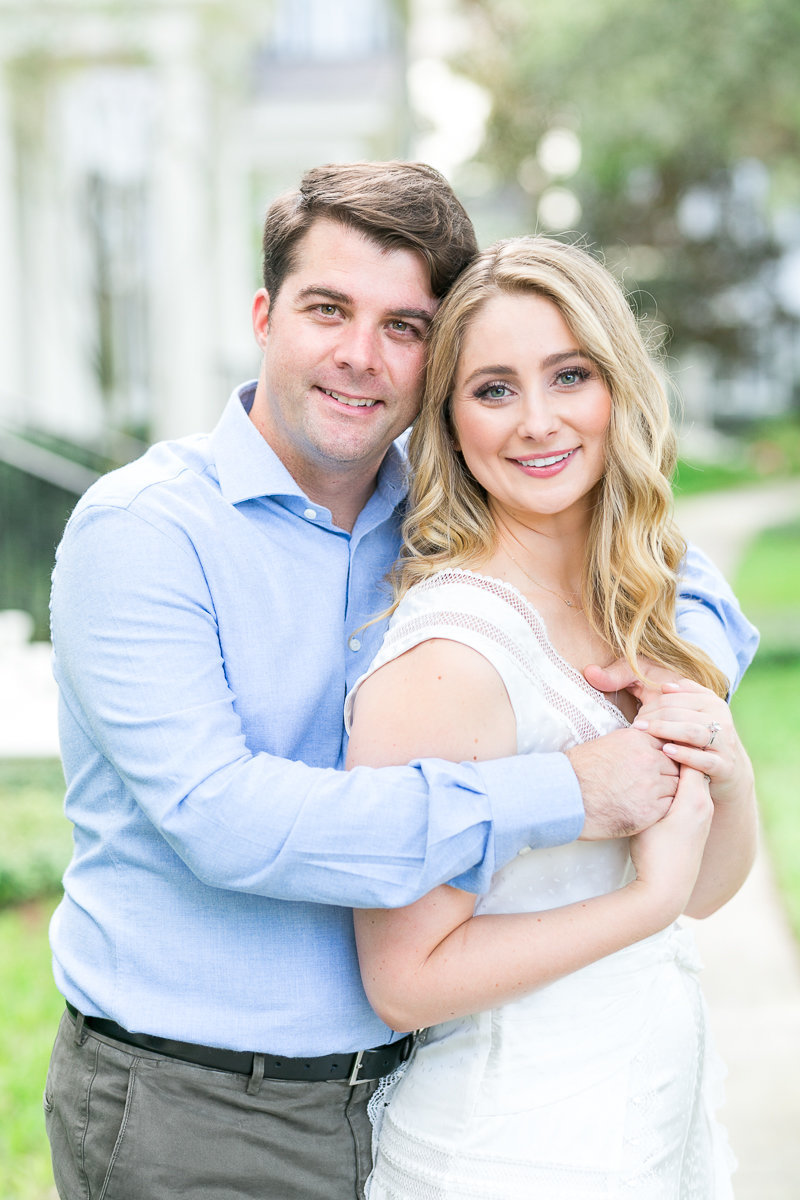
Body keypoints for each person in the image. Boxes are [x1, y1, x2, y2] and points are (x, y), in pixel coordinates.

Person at [44, 166, 757, 1200]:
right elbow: (222, 818)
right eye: (328, 309)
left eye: (403, 326)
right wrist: (569, 788)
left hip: (406, 1089)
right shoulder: (145, 533)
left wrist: (673, 680)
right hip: (194, 1103)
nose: (358, 356)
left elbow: (675, 578)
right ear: (263, 315)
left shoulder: (433, 499)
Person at [346, 235, 759, 1198]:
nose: (537, 421)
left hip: (650, 1137)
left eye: (569, 375)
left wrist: (726, 766)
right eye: (494, 389)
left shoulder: (638, 597)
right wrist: (639, 907)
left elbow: (703, 891)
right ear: (448, 421)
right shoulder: (453, 652)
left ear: (618, 384)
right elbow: (403, 977)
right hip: (508, 1155)